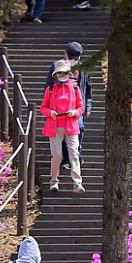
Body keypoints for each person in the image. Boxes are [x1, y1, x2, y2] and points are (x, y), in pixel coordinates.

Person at [44, 42, 93, 172]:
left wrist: (87, 107)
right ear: (66, 55)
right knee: (65, 132)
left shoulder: (84, 68)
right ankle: (66, 159)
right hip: (59, 107)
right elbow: (48, 85)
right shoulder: (56, 66)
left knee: (79, 128)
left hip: (77, 105)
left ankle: (77, 153)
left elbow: (87, 88)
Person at [40, 59, 85, 193]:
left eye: (64, 72)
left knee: (74, 154)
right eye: (59, 73)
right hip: (54, 125)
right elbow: (43, 107)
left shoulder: (75, 88)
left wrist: (75, 112)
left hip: (71, 125)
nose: (62, 75)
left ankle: (77, 182)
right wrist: (50, 112)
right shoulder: (51, 89)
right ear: (56, 74)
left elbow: (80, 107)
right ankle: (54, 181)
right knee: (57, 155)